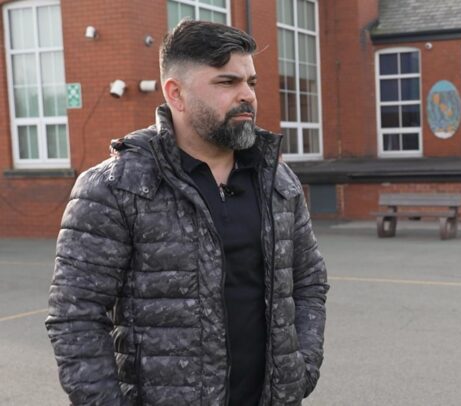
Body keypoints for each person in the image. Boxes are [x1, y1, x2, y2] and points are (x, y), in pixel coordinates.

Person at [46, 20, 328, 405]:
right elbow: (75, 315)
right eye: (227, 83)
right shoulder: (117, 187)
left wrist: (302, 368)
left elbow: (309, 281)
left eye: (251, 82)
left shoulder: (277, 179)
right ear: (175, 94)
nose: (247, 95)